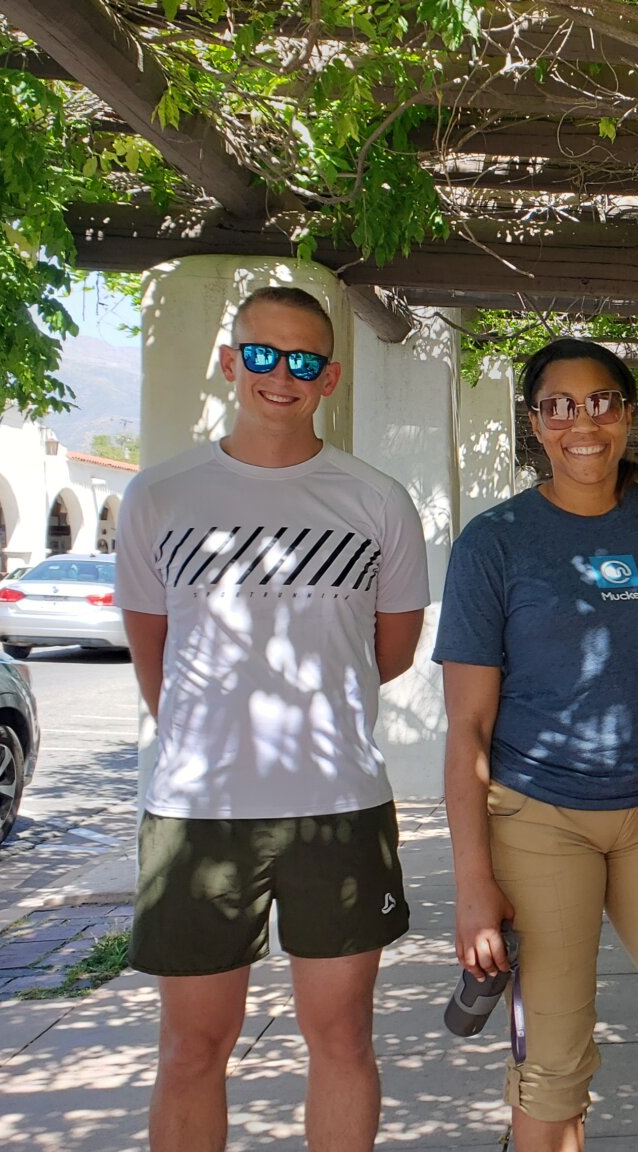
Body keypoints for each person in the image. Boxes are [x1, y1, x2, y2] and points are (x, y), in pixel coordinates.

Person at [115, 285, 431, 1152]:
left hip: (338, 804)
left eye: (302, 361)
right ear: (231, 362)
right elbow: (155, 653)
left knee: (342, 1040)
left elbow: (388, 653)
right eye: (261, 355)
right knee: (190, 1048)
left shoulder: (376, 501)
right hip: (196, 812)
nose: (280, 376)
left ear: (329, 377)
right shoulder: (160, 496)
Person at [434, 338, 638, 1152]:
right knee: (553, 1067)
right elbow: (467, 725)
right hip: (537, 819)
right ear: (536, 424)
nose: (583, 422)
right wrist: (473, 879)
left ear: (628, 413)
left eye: (601, 401)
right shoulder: (493, 542)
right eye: (560, 406)